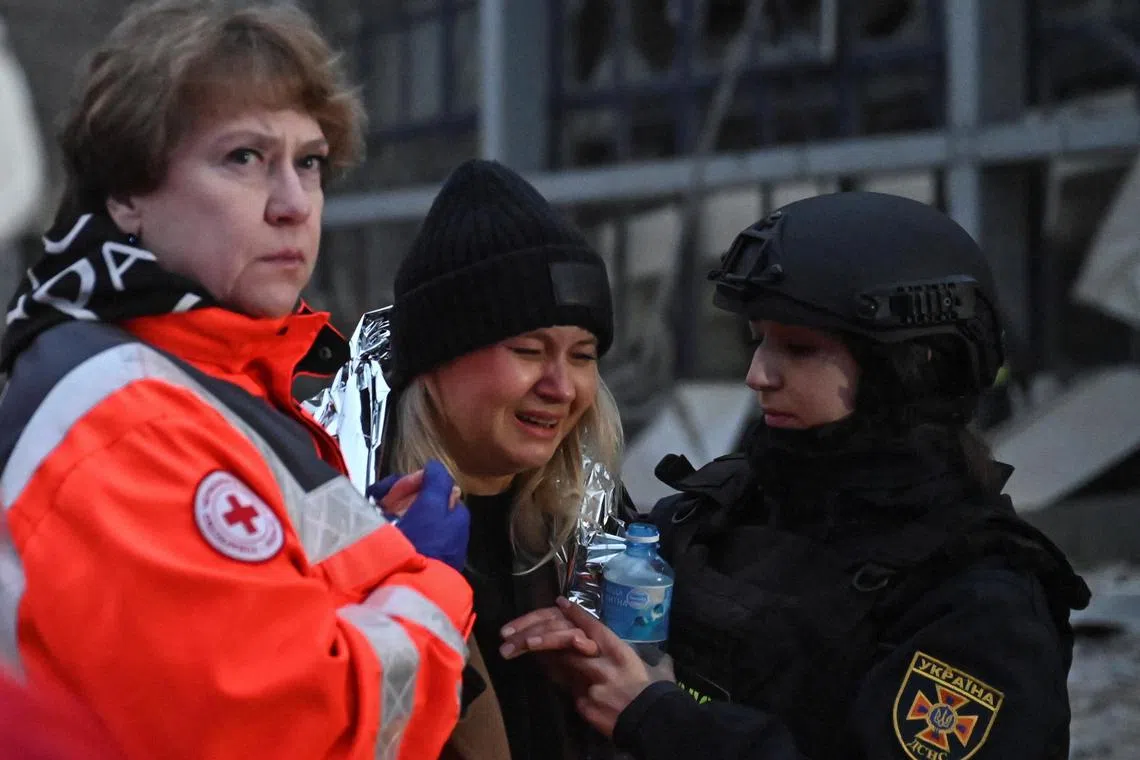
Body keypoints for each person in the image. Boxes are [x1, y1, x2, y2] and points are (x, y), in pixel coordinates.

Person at [0, 2, 472, 759]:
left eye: (309, 162)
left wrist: (366, 551)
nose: (293, 206)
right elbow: (286, 728)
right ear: (126, 192)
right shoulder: (127, 414)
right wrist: (430, 586)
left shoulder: (201, 368)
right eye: (243, 158)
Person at [501, 191, 1091, 759]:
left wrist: (661, 719)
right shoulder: (722, 509)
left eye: (800, 348)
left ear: (910, 367)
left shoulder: (979, 604)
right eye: (759, 342)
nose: (759, 374)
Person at [375, 158, 625, 760]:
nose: (561, 388)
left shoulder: (593, 533)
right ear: (436, 361)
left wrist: (639, 696)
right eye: (528, 350)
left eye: (584, 355)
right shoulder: (354, 531)